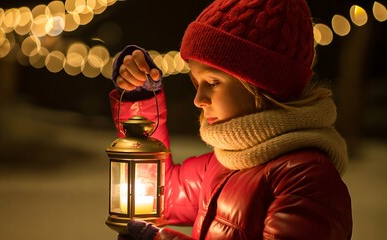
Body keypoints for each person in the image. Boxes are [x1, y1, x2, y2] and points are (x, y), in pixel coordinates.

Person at [108, 0, 353, 239]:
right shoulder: (223, 163)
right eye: (196, 82)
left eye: (212, 82)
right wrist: (140, 97)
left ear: (261, 86)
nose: (198, 99)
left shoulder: (308, 180)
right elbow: (160, 193)